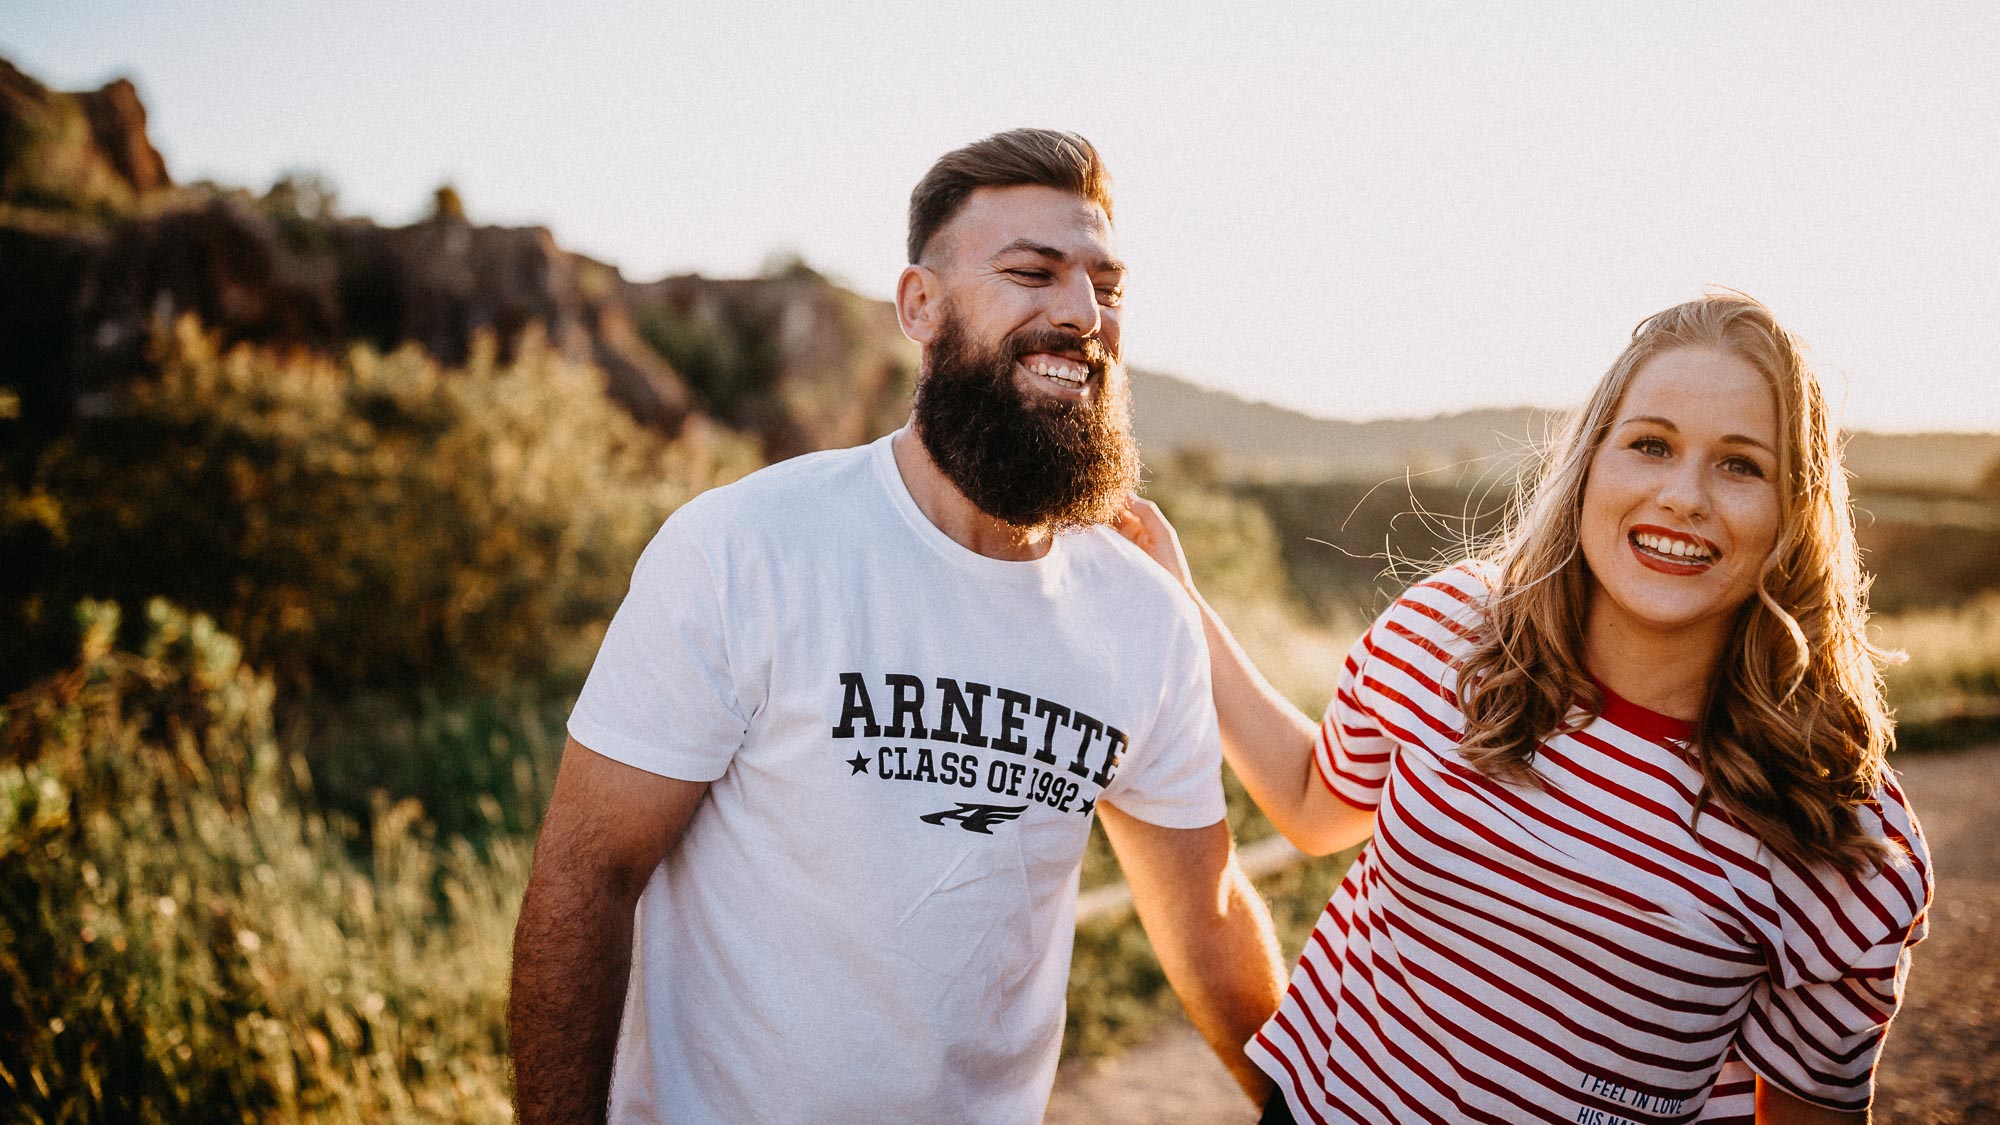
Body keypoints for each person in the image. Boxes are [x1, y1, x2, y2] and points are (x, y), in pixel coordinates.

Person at [508, 129, 1286, 1124]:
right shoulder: (745, 549)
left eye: (1105, 283)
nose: (1081, 313)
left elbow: (1206, 915)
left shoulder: (1141, 618)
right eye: (1030, 273)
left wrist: (1301, 1104)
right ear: (919, 305)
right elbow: (587, 873)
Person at [1116, 293, 1932, 1124]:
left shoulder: (1844, 835)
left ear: (1797, 512)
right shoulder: (1449, 632)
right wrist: (1179, 600)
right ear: (1589, 465)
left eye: (1741, 464)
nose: (1684, 495)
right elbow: (1310, 803)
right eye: (1650, 444)